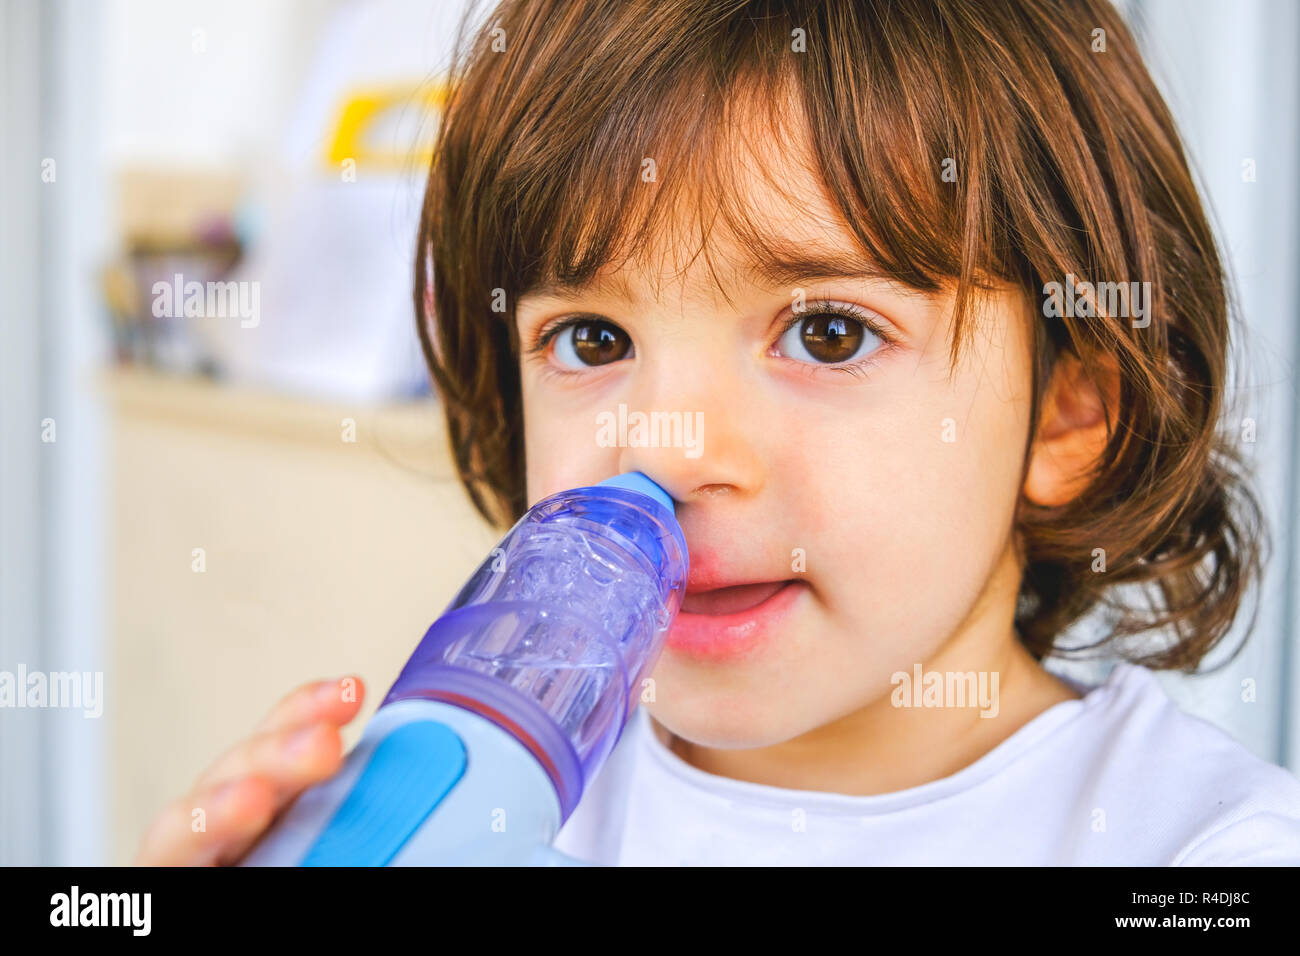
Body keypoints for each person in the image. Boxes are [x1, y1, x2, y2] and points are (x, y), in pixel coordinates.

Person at [135, 0, 1300, 866]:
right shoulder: (502, 810)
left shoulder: (1203, 848)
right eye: (592, 341)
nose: (670, 448)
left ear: (1065, 411)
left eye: (831, 333)